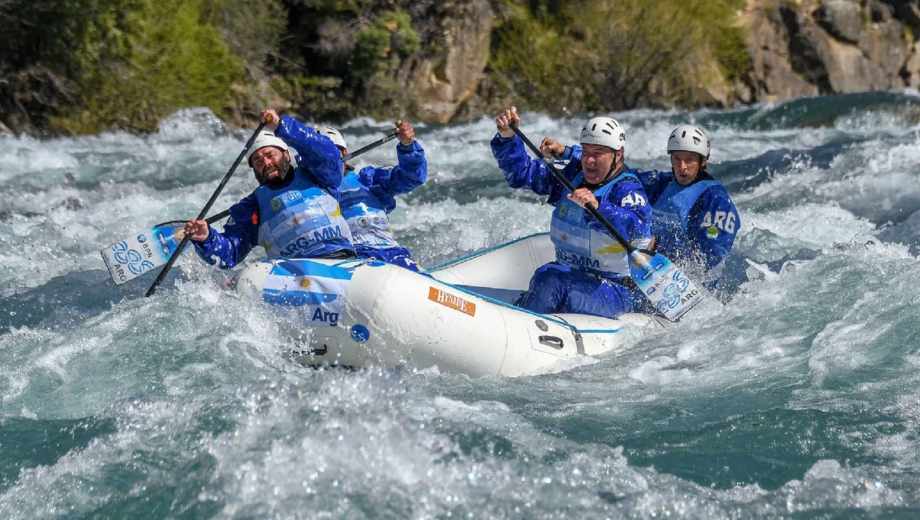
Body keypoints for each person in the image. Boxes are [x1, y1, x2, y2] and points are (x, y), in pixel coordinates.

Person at [491, 107, 653, 319]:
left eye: (598, 154)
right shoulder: (572, 177)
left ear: (618, 155)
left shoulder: (628, 190)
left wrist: (599, 207)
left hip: (616, 290)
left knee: (550, 279)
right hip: (572, 275)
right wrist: (507, 138)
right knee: (546, 275)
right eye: (585, 152)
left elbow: (637, 227)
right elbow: (522, 175)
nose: (589, 161)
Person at [543, 124, 740, 290]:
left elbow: (713, 254)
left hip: (681, 280)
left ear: (703, 161)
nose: (682, 167)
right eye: (677, 159)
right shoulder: (662, 183)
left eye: (689, 160)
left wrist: (689, 281)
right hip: (648, 266)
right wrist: (568, 153)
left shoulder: (715, 199)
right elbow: (619, 171)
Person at [184, 109, 353, 268]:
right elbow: (230, 253)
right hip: (296, 275)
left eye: (270, 155)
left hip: (342, 259)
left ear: (286, 155)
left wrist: (282, 127)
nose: (265, 163)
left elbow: (328, 153)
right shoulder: (252, 206)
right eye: (257, 161)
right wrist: (206, 239)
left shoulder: (318, 175)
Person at [319, 121, 427, 271]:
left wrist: (408, 146)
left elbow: (412, 177)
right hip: (354, 259)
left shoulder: (369, 179)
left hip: (391, 252)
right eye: (318, 155)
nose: (326, 159)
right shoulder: (311, 191)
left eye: (331, 152)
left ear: (344, 153)